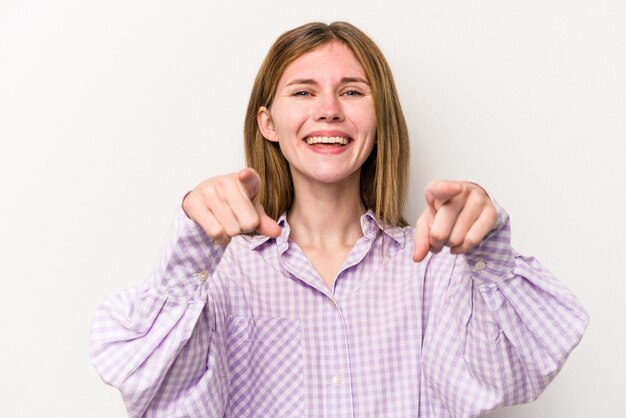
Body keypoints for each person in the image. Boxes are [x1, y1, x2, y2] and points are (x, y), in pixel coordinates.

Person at [90, 21, 588, 418]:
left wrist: (489, 254)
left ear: (379, 117)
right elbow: (154, 397)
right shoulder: (221, 274)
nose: (328, 110)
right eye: (303, 92)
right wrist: (193, 243)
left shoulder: (434, 273)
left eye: (352, 91)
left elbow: (504, 379)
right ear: (268, 123)